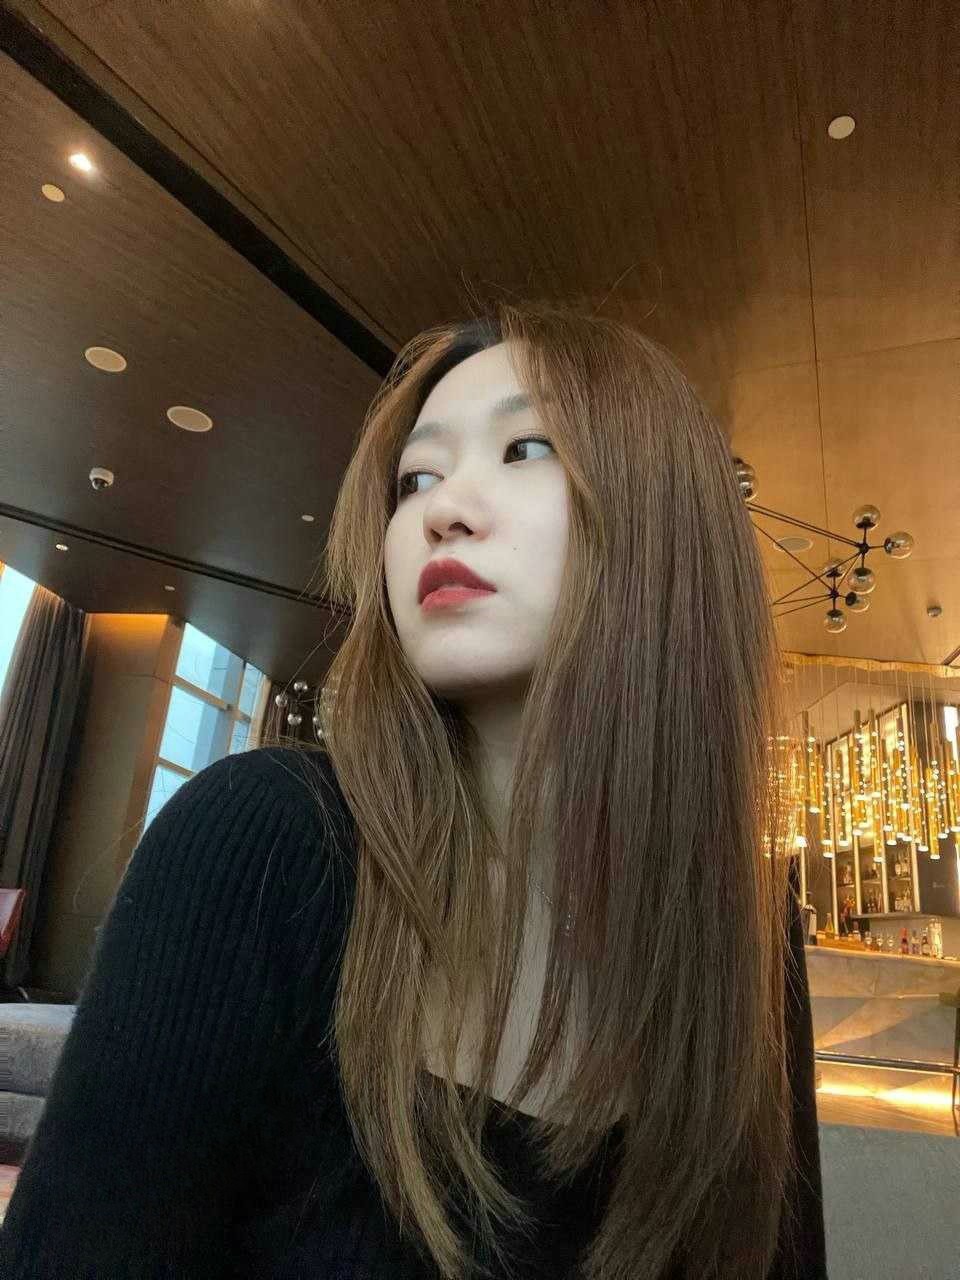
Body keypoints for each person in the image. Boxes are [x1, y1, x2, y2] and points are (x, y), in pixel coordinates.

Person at [0, 300, 826, 1279]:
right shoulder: (269, 842)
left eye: (525, 447)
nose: (441, 509)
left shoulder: (745, 933)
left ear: (668, 519)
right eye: (415, 479)